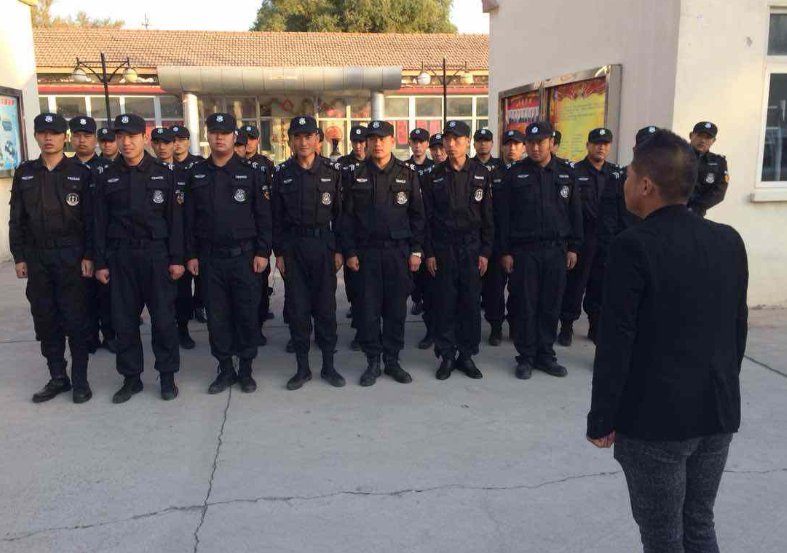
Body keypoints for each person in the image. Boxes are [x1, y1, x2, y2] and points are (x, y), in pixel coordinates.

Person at [587, 129, 748, 553]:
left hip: (656, 423)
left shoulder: (632, 246)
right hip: (717, 412)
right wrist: (722, 389)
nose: (623, 183)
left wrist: (602, 418)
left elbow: (616, 341)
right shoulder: (728, 240)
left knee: (663, 537)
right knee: (699, 523)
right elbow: (737, 331)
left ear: (646, 185)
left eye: (628, 176)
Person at [93, 113, 185, 403]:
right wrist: (100, 262)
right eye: (120, 136)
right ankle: (131, 378)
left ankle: (167, 377)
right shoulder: (107, 176)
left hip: (156, 256)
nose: (126, 142)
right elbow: (98, 223)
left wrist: (177, 258)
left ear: (144, 138)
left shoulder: (163, 173)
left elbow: (175, 221)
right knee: (124, 322)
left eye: (132, 136)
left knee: (163, 321)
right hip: (121, 257)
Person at [9, 113, 94, 404]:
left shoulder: (80, 172)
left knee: (76, 320)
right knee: (45, 319)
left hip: (71, 256)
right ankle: (58, 376)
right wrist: (19, 256)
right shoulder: (25, 173)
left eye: (55, 133)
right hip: (38, 257)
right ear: (35, 136)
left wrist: (89, 255)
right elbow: (16, 218)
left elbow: (91, 220)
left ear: (64, 137)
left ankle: (80, 380)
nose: (49, 138)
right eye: (43, 132)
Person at [185, 113, 272, 394]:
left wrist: (263, 252)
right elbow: (188, 220)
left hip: (244, 258)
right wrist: (191, 255)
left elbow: (263, 216)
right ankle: (225, 369)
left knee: (246, 314)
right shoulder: (196, 174)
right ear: (207, 136)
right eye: (214, 132)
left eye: (225, 132)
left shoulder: (251, 172)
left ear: (235, 137)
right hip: (210, 259)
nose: (219, 137)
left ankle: (245, 369)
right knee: (217, 317)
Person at [342, 120, 425, 386]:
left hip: (397, 254)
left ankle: (392, 360)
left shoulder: (407, 173)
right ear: (367, 142)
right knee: (368, 310)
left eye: (382, 138)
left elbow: (417, 215)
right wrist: (350, 251)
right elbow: (346, 218)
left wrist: (416, 250)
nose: (377, 143)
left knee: (395, 310)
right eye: (373, 139)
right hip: (366, 254)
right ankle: (373, 361)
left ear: (392, 141)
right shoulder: (355, 174)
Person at [498, 121, 583, 380]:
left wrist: (574, 247)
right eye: (531, 143)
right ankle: (525, 357)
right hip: (525, 252)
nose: (535, 148)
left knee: (550, 304)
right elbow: (504, 216)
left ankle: (545, 355)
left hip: (556, 251)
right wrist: (505, 252)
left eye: (541, 142)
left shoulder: (566, 173)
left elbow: (575, 213)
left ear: (551, 143)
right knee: (526, 305)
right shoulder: (515, 174)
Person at [272, 116, 346, 390]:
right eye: (297, 137)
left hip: (323, 246)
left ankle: (328, 366)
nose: (303, 142)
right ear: (290, 141)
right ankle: (302, 369)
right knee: (298, 309)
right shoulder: (282, 173)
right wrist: (279, 253)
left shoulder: (332, 171)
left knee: (326, 309)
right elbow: (276, 218)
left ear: (318, 139)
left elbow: (341, 216)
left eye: (308, 136)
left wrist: (339, 249)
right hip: (294, 248)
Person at [421, 120, 494, 380]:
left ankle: (466, 355)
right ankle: (447, 355)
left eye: (457, 139)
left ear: (467, 142)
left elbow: (488, 216)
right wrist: (429, 252)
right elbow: (426, 219)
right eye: (447, 139)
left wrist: (485, 252)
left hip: (471, 248)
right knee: (444, 303)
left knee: (470, 303)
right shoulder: (433, 175)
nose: (451, 144)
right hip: (443, 248)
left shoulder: (481, 173)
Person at [558, 128, 622, 346]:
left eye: (605, 144)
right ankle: (566, 326)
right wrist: (571, 244)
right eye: (597, 143)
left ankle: (595, 327)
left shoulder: (615, 174)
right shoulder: (574, 172)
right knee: (575, 285)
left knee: (600, 286)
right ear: (588, 146)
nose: (601, 147)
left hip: (606, 240)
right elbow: (568, 209)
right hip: (582, 238)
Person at [70, 116, 116, 355]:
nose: (82, 140)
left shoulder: (108, 168)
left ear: (95, 139)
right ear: (70, 138)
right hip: (75, 243)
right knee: (82, 295)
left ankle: (110, 335)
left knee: (106, 293)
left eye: (87, 136)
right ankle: (89, 336)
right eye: (77, 136)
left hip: (104, 241)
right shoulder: (65, 168)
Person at [483, 129, 525, 346]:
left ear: (523, 147)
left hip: (521, 241)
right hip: (497, 240)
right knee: (494, 289)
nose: (512, 148)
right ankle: (496, 327)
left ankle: (515, 325)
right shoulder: (491, 172)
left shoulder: (529, 171)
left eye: (516, 144)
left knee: (519, 288)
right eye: (508, 144)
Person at [171, 124, 207, 332]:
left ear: (187, 141)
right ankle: (182, 324)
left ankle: (199, 305)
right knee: (182, 281)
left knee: (202, 276)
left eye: (181, 140)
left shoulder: (199, 165)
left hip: (198, 228)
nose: (177, 144)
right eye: (174, 140)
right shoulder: (165, 167)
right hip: (177, 230)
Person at [415, 132, 448, 350]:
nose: (438, 152)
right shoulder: (427, 176)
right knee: (429, 293)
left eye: (441, 148)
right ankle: (431, 331)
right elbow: (422, 215)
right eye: (435, 149)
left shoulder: (465, 173)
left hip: (455, 245)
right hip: (432, 243)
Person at [337, 124, 367, 346]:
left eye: (362, 141)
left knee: (371, 289)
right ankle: (359, 325)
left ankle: (369, 330)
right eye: (355, 142)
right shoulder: (341, 165)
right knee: (354, 285)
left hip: (371, 234)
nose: (358, 146)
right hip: (350, 231)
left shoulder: (374, 163)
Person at [406, 128, 434, 318]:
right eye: (414, 142)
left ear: (427, 144)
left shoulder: (434, 167)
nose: (418, 145)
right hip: (411, 224)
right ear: (410, 143)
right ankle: (417, 299)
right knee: (413, 269)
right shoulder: (404, 167)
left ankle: (427, 300)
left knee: (428, 268)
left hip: (430, 224)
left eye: (421, 142)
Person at [687, 121, 729, 218]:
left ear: (713, 141)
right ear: (691, 135)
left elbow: (719, 192)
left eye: (708, 137)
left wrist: (695, 208)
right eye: (700, 136)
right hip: (672, 212)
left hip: (697, 214)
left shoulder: (719, 162)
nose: (703, 140)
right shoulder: (676, 156)